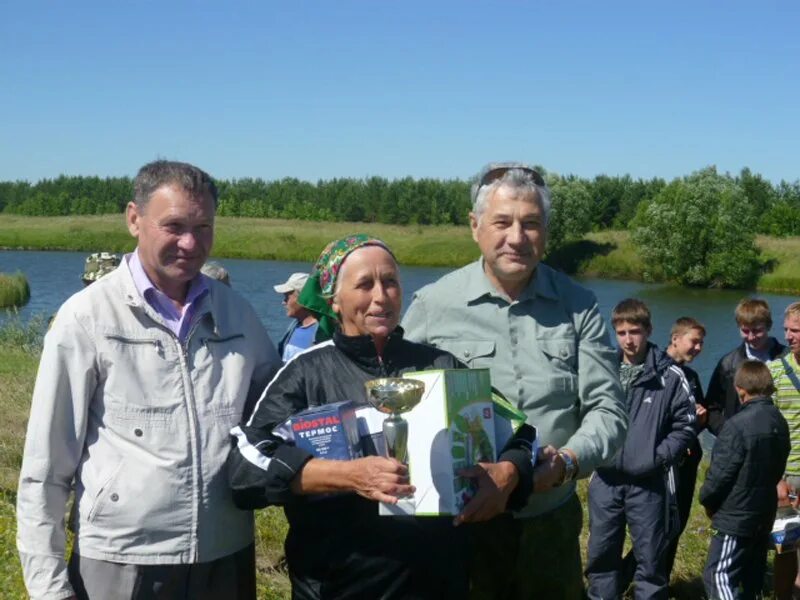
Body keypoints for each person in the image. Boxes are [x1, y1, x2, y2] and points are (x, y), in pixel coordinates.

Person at [16, 160, 280, 600]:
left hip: (225, 555)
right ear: (134, 219)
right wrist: (48, 588)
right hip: (121, 563)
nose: (190, 243)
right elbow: (45, 469)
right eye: (173, 225)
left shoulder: (238, 315)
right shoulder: (86, 318)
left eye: (203, 226)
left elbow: (278, 416)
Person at [227, 234, 534, 600]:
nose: (380, 296)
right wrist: (346, 476)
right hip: (338, 587)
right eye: (364, 284)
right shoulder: (304, 373)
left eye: (390, 282)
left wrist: (508, 473)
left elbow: (523, 435)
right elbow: (245, 468)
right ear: (334, 301)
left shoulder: (441, 365)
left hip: (439, 585)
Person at [401, 162, 627, 599]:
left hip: (549, 520)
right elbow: (399, 402)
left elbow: (608, 410)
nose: (517, 238)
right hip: (462, 526)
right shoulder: (432, 306)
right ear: (475, 226)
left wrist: (563, 464)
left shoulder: (578, 306)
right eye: (502, 222)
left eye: (531, 224)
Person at [585, 299, 696, 599]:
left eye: (635, 331)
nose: (628, 340)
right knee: (600, 557)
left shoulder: (670, 376)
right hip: (605, 480)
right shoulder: (602, 370)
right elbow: (583, 412)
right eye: (621, 333)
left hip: (649, 484)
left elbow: (686, 425)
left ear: (648, 330)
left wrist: (656, 459)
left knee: (650, 563)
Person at [700, 360, 789, 600]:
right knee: (751, 579)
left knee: (717, 576)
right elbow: (779, 464)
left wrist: (707, 499)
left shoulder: (736, 426)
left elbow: (720, 475)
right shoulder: (779, 422)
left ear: (740, 390)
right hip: (763, 512)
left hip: (735, 516)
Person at [706, 298, 786, 435]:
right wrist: (727, 432)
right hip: (740, 441)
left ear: (769, 326)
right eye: (745, 331)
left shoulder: (787, 358)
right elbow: (711, 408)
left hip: (779, 441)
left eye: (757, 331)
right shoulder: (728, 364)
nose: (751, 337)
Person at [769, 301, 800, 599]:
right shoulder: (774, 372)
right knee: (785, 548)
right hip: (787, 477)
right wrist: (776, 478)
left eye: (796, 330)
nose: (789, 336)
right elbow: (767, 433)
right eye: (786, 330)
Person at [273, 272, 320, 361]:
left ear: (303, 298)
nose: (283, 302)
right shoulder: (293, 327)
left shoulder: (322, 334)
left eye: (287, 297)